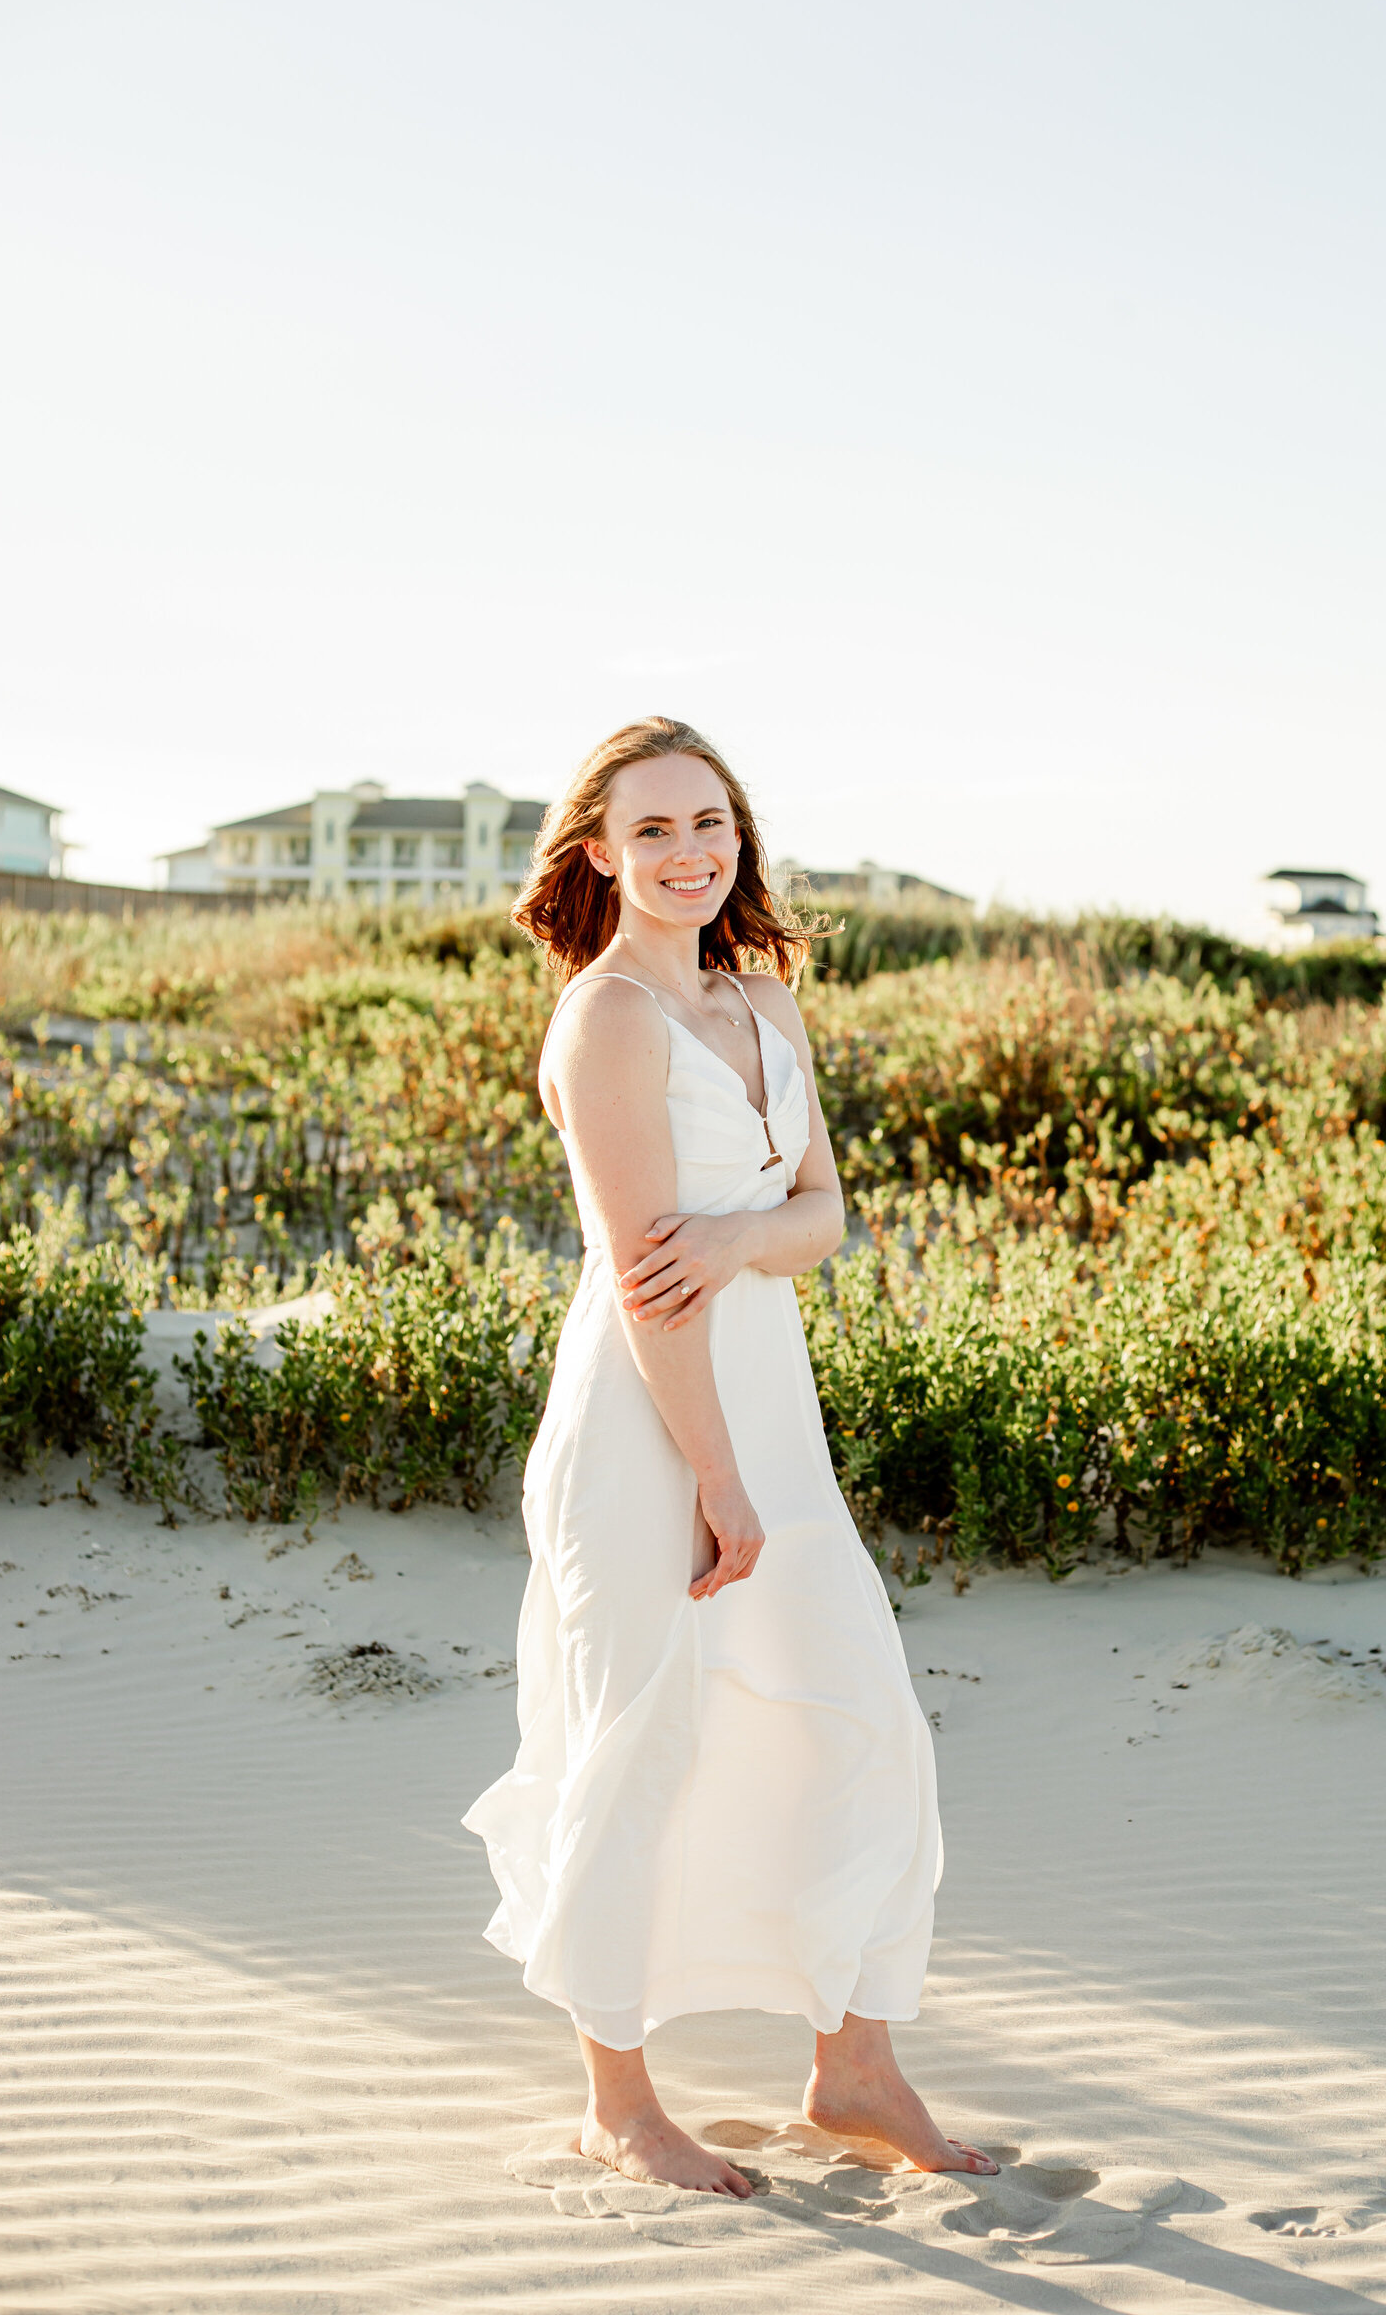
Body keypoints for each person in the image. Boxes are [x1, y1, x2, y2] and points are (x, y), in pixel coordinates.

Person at [463, 717, 995, 2197]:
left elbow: (821, 1216)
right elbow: (648, 1286)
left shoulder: (767, 1000)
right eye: (652, 832)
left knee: (862, 1715)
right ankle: (619, 2100)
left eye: (711, 823)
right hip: (652, 1428)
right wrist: (713, 1476)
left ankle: (854, 2066)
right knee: (636, 1738)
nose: (690, 853)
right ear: (596, 855)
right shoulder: (605, 1020)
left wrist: (745, 1234)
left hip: (769, 1413)